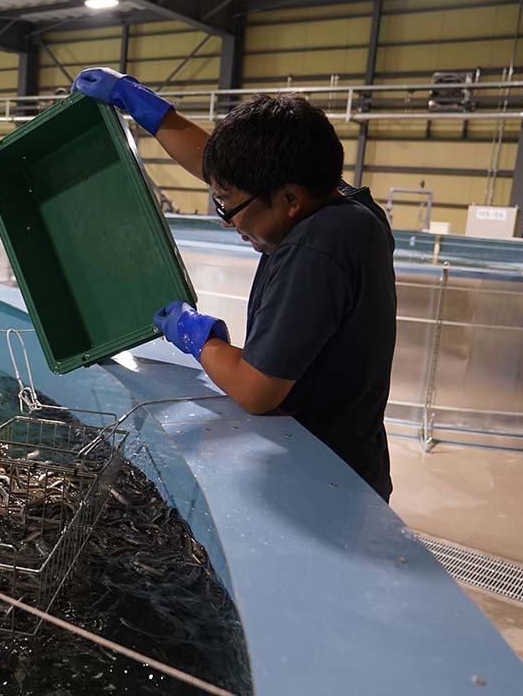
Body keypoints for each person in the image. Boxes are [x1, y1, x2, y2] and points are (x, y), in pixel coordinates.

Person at [72, 67, 397, 502]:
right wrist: (147, 109)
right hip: (352, 459)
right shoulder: (340, 204)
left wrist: (199, 336)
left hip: (323, 478)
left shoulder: (316, 249)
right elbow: (236, 171)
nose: (229, 222)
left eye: (229, 208)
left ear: (290, 200)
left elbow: (254, 390)